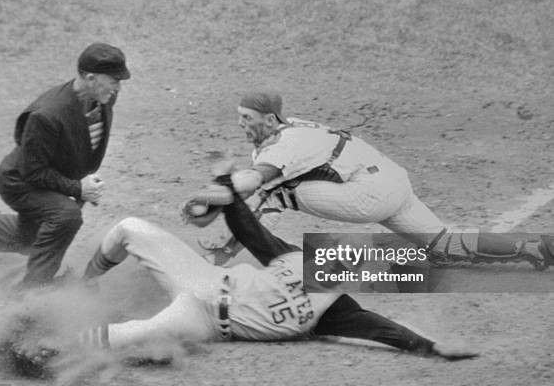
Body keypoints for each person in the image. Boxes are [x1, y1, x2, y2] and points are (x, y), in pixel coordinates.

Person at [12, 185, 476, 374]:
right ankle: (86, 284)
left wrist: (431, 347)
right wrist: (230, 196)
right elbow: (253, 232)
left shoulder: (340, 312)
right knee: (130, 229)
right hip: (208, 280)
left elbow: (386, 333)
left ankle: (57, 350)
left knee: (139, 333)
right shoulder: (297, 258)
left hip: (206, 322)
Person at [191, 90, 553, 290]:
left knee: (274, 193)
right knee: (445, 247)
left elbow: (253, 185)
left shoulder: (286, 146)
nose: (241, 125)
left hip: (369, 195)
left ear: (270, 120)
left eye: (247, 119)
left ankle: (329, 266)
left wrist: (214, 191)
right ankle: (531, 246)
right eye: (239, 117)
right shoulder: (290, 129)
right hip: (390, 181)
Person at [0, 42, 131, 288]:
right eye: (114, 80)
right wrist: (78, 189)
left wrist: (79, 181)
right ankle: (32, 292)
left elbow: (82, 137)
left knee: (31, 239)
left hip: (55, 176)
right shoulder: (46, 115)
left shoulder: (103, 96)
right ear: (90, 78)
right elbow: (33, 171)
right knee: (65, 217)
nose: (118, 87)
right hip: (21, 181)